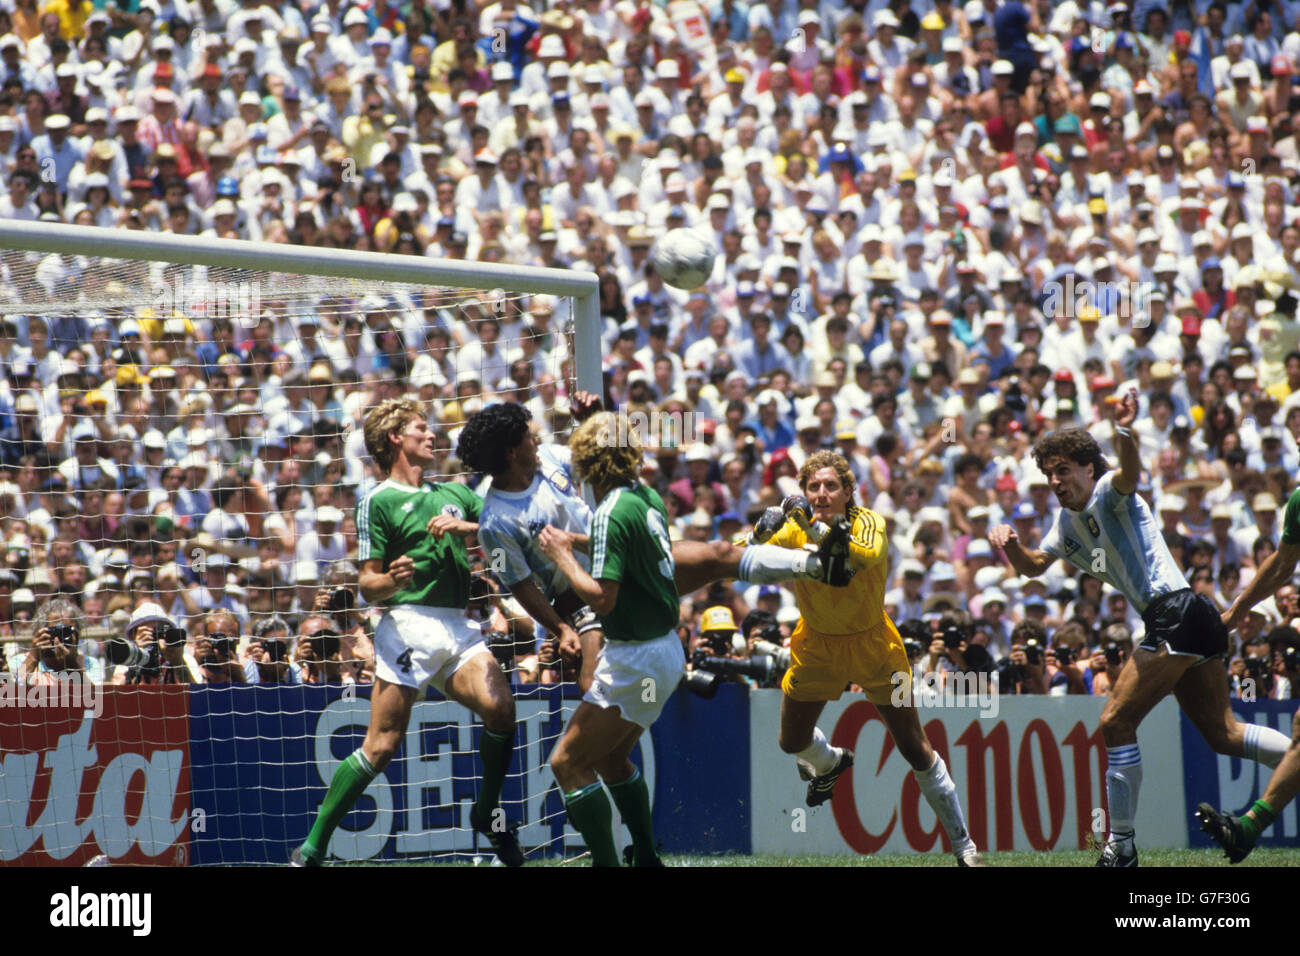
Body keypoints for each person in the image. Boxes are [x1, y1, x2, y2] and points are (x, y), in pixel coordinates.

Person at [988, 390, 1292, 867]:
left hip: (1174, 610)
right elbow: (1031, 567)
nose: (1054, 480)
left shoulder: (1110, 489)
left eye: (1063, 469)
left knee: (1114, 721)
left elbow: (1130, 472)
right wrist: (1008, 545)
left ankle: (1121, 846)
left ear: (1089, 468)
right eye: (1048, 473)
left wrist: (1125, 429)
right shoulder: (1064, 526)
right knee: (1222, 733)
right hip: (1195, 616)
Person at [533, 411, 789, 866]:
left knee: (567, 764)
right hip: (664, 650)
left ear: (589, 462)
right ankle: (648, 857)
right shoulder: (646, 495)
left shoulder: (610, 509)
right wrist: (577, 539)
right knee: (613, 761)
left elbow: (603, 599)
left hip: (635, 657)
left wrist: (561, 555)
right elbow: (630, 546)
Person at [458, 399, 853, 694]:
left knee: (717, 553)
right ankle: (597, 762)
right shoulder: (497, 520)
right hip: (579, 596)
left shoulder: (549, 459)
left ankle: (820, 564)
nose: (537, 436)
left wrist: (595, 418)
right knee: (592, 683)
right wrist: (560, 628)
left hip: (622, 554)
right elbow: (523, 586)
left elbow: (602, 457)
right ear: (512, 450)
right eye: (529, 433)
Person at [293, 398, 522, 867]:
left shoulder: (454, 494)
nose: (432, 434)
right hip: (407, 625)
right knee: (381, 746)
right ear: (395, 438)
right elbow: (367, 585)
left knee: (501, 710)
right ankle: (313, 849)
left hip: (459, 626)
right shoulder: (377, 501)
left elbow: (506, 525)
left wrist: (467, 525)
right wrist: (391, 580)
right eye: (421, 428)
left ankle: (485, 812)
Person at [761, 449, 984, 867]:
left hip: (875, 649)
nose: (823, 493)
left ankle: (965, 847)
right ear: (804, 492)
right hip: (817, 646)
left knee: (914, 748)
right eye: (813, 487)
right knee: (791, 742)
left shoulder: (870, 522)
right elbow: (750, 558)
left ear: (849, 491)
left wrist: (803, 521)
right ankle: (829, 762)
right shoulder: (795, 528)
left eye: (831, 486)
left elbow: (857, 556)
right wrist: (759, 534)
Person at [1196, 484, 1300, 862]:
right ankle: (1249, 827)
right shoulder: (1299, 500)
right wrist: (1237, 611)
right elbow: (1283, 563)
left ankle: (1249, 827)